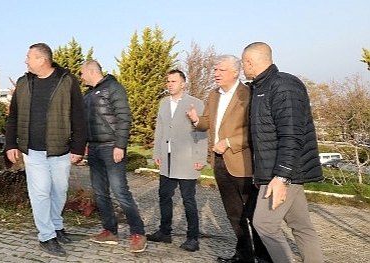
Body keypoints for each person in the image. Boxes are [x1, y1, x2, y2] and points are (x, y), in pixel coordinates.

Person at [241, 42, 324, 263]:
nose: (243, 69)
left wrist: (280, 176)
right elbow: (263, 137)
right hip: (278, 172)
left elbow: (292, 134)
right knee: (301, 226)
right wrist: (261, 175)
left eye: (243, 63)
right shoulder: (260, 87)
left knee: (264, 224)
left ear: (249, 62)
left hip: (284, 172)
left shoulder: (283, 86)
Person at [5, 43, 87, 258]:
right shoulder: (24, 83)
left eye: (28, 57)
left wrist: (78, 147)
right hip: (33, 150)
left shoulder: (67, 81)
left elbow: (79, 115)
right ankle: (46, 236)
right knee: (40, 193)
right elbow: (13, 116)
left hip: (61, 149)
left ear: (42, 60)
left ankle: (57, 227)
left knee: (59, 192)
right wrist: (11, 144)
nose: (25, 61)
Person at [186, 55, 271, 263]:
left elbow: (255, 130)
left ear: (235, 72)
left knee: (253, 215)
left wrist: (229, 142)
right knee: (234, 214)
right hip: (219, 162)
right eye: (215, 70)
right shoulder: (213, 95)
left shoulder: (248, 94)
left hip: (243, 164)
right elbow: (207, 121)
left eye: (221, 70)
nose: (216, 73)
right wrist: (196, 119)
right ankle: (243, 256)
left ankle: (264, 258)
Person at [80, 60, 147, 253]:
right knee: (100, 193)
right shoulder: (88, 94)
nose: (81, 77)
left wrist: (120, 145)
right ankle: (110, 231)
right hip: (94, 149)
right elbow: (86, 124)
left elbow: (124, 117)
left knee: (120, 192)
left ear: (92, 71)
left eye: (83, 73)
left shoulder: (114, 88)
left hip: (111, 148)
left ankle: (138, 233)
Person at [146, 69, 207, 252]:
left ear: (183, 83)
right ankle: (165, 232)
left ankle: (193, 238)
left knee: (188, 199)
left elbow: (202, 132)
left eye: (173, 81)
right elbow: (160, 130)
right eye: (168, 81)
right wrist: (157, 153)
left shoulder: (195, 103)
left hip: (187, 159)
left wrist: (200, 157)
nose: (170, 84)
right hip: (167, 159)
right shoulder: (164, 104)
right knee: (164, 196)